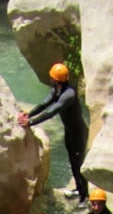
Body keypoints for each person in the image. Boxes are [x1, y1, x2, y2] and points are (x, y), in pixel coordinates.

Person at [18, 63, 89, 202]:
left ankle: (84, 197)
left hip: (78, 135)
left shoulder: (68, 94)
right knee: (73, 162)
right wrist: (29, 114)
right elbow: (45, 104)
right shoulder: (58, 89)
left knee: (78, 164)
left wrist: (30, 123)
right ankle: (79, 190)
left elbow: (51, 111)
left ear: (55, 80)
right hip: (70, 132)